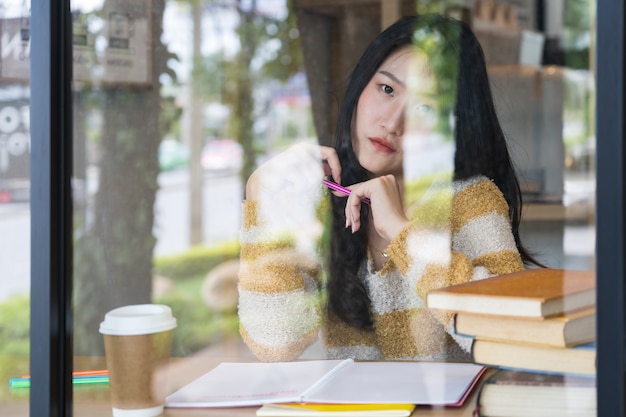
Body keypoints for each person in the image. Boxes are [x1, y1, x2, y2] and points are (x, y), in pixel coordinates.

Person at [237, 14, 542, 363]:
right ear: (361, 86)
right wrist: (260, 199)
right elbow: (275, 343)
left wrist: (401, 232)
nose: (392, 123)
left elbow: (513, 333)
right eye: (387, 89)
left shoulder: (470, 200)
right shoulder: (325, 201)